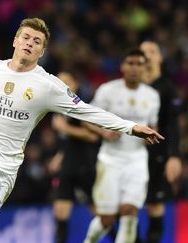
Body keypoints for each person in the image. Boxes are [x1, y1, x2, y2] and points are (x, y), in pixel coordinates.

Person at [0, 18, 164, 243]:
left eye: (37, 41)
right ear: (15, 40)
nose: (29, 43)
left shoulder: (48, 86)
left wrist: (131, 127)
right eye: (25, 37)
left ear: (42, 51)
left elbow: (88, 111)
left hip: (7, 168)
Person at [83, 49, 160, 243]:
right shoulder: (107, 91)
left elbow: (153, 125)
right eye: (130, 63)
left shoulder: (151, 96)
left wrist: (150, 135)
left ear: (144, 68)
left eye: (139, 64)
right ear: (123, 66)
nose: (134, 68)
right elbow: (86, 118)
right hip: (110, 160)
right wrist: (103, 132)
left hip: (137, 160)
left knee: (130, 211)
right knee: (107, 219)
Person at [139, 40, 182, 243]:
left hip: (157, 155)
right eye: (143, 51)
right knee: (124, 207)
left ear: (160, 58)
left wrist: (174, 156)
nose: (147, 55)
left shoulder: (167, 88)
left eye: (152, 51)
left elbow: (173, 125)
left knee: (155, 205)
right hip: (129, 155)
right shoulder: (129, 87)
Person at [49, 72, 100, 243]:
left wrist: (65, 128)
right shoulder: (56, 107)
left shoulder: (81, 106)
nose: (62, 84)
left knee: (101, 214)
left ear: (75, 85)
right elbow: (66, 140)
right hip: (67, 167)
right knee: (61, 211)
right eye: (59, 81)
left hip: (85, 165)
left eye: (67, 81)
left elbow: (93, 136)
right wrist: (60, 155)